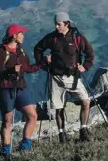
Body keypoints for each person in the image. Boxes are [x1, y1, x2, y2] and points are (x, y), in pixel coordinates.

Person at [34, 12, 95, 143]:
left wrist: (85, 66)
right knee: (59, 107)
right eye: (55, 24)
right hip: (55, 77)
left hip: (73, 77)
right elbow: (37, 49)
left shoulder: (77, 38)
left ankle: (83, 130)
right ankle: (62, 136)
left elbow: (90, 53)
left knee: (86, 101)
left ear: (67, 24)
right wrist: (44, 62)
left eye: (59, 24)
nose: (56, 27)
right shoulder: (51, 38)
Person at [0, 24, 41, 156]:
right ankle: (6, 151)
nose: (23, 35)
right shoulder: (1, 52)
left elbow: (28, 69)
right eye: (21, 33)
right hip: (5, 89)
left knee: (32, 115)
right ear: (14, 36)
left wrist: (42, 63)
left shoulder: (21, 51)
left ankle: (25, 146)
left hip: (20, 87)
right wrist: (11, 70)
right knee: (8, 120)